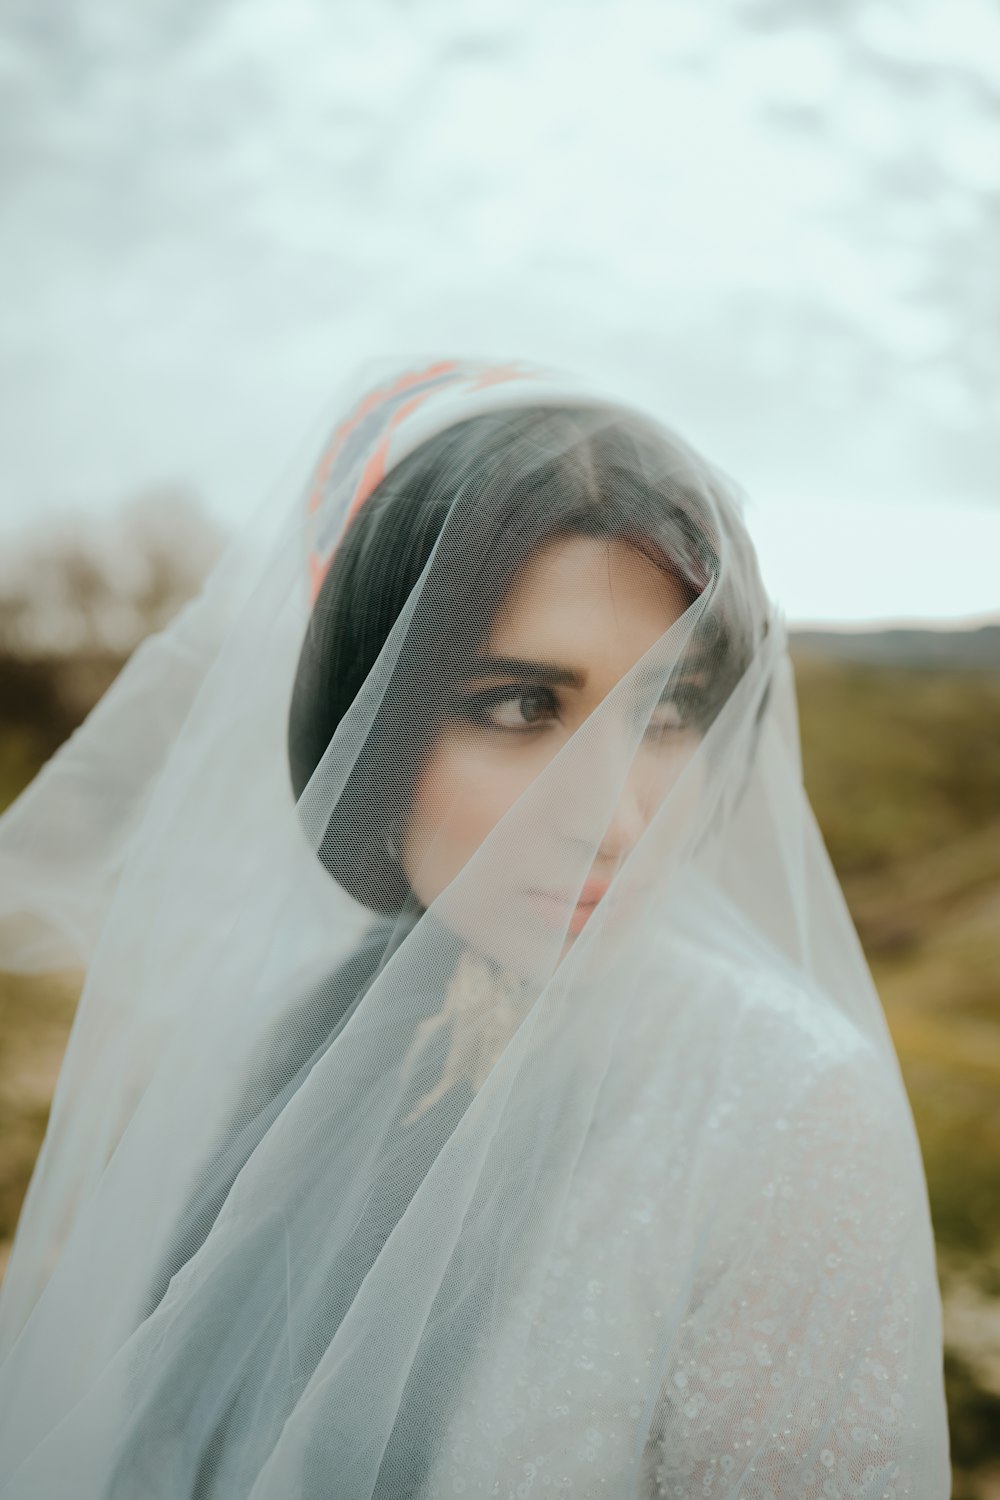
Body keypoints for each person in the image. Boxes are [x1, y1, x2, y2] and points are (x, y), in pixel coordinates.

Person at [0, 356, 951, 1497]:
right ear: (372, 719)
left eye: (668, 709)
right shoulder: (291, 1023)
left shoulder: (785, 1107)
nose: (618, 821)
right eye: (519, 704)